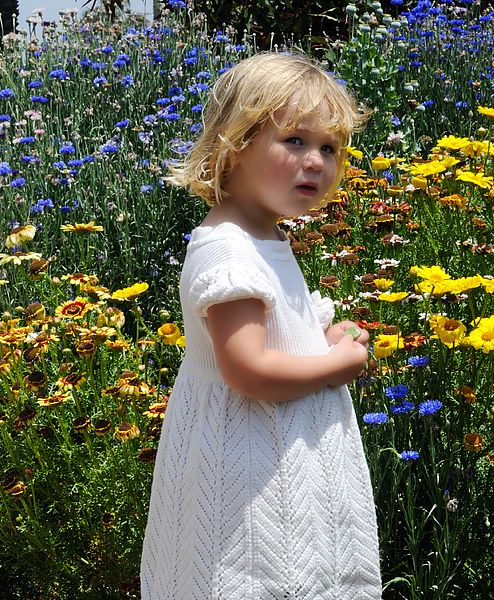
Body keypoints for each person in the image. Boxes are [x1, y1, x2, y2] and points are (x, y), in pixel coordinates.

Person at [140, 51, 382, 599]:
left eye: (330, 148)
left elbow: (270, 341)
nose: (317, 161)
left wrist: (316, 342)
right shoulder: (229, 251)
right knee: (253, 577)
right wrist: (336, 365)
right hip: (248, 472)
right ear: (236, 143)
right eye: (294, 141)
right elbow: (247, 369)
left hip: (278, 456)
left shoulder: (263, 237)